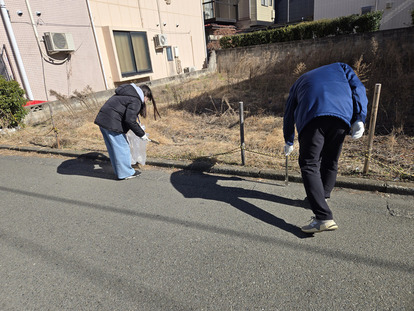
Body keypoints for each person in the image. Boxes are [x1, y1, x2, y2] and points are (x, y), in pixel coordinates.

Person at [283, 62, 368, 233]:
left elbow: (289, 112)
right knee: (330, 160)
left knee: (309, 164)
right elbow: (358, 88)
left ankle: (323, 217)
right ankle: (323, 197)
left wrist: (289, 140)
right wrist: (360, 116)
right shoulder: (341, 67)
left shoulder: (299, 81)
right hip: (341, 116)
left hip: (312, 117)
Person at [95, 83, 160, 180]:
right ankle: (126, 173)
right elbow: (130, 120)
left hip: (103, 121)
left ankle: (120, 171)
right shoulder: (136, 99)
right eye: (147, 99)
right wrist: (141, 134)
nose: (146, 101)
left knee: (114, 149)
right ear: (145, 95)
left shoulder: (127, 93)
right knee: (122, 148)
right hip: (112, 123)